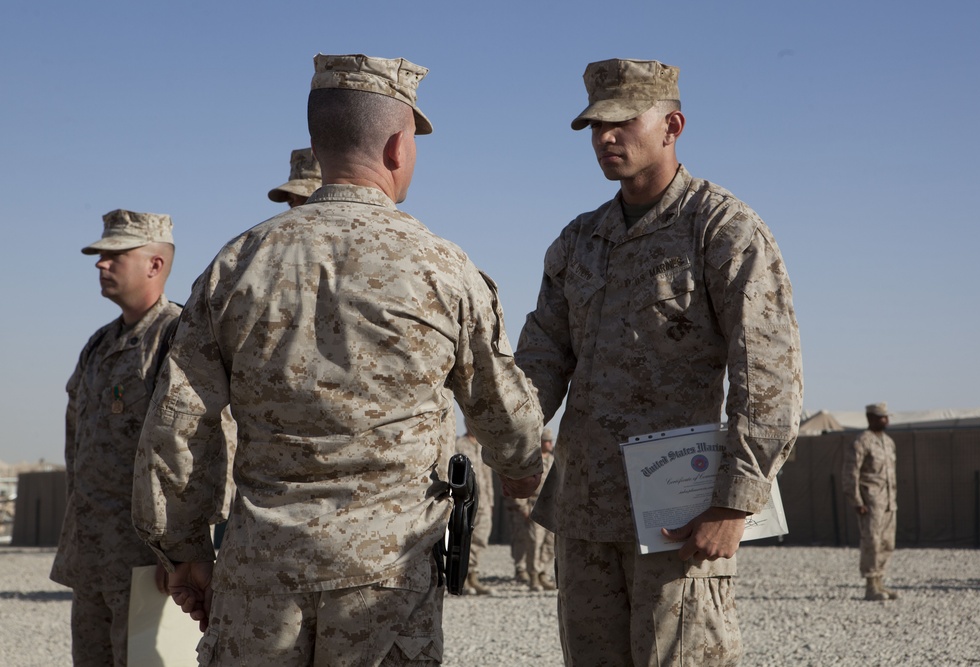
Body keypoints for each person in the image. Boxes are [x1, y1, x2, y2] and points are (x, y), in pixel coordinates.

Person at [132, 53, 543, 666]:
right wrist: (523, 464)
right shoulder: (442, 268)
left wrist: (184, 548)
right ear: (399, 147)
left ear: (318, 146)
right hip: (386, 581)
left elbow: (178, 423)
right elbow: (503, 411)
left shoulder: (237, 264)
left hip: (261, 573)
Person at [514, 58, 803, 666]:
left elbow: (769, 375)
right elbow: (540, 357)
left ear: (672, 125)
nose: (605, 138)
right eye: (594, 126)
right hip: (586, 508)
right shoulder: (579, 240)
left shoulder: (722, 229)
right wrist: (507, 440)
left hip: (681, 511)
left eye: (621, 122)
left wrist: (734, 502)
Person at [50, 209, 179, 666]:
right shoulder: (99, 344)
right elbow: (76, 443)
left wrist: (182, 548)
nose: (100, 265)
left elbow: (203, 447)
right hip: (92, 553)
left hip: (145, 561)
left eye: (115, 255)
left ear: (154, 265)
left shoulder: (176, 339)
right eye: (100, 256)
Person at [842, 402, 899, 601]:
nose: (886, 420)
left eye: (887, 417)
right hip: (871, 501)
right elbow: (851, 473)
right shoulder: (861, 442)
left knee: (887, 543)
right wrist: (856, 500)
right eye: (882, 417)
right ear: (871, 418)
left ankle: (880, 582)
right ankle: (870, 585)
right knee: (872, 542)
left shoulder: (888, 442)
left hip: (889, 502)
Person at [453, 430, 496, 595]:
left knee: (482, 537)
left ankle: (473, 574)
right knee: (464, 537)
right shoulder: (459, 444)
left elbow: (487, 475)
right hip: (466, 500)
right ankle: (463, 577)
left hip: (483, 500)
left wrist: (491, 501)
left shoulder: (483, 445)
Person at [520, 428, 556, 592]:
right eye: (547, 441)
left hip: (553, 506)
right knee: (535, 542)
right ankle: (533, 575)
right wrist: (523, 508)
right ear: (540, 442)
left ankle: (543, 573)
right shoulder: (533, 461)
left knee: (549, 543)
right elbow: (522, 485)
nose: (550, 443)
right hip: (535, 504)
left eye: (551, 441)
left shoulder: (555, 460)